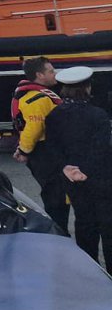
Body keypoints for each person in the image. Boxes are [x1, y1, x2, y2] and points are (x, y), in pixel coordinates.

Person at [45, 66, 112, 267]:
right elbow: (101, 148)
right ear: (88, 88)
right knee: (108, 226)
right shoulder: (98, 115)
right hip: (101, 179)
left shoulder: (54, 116)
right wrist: (86, 171)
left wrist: (68, 168)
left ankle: (89, 270)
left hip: (72, 180)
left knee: (84, 224)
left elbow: (52, 147)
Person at [11, 57, 69, 232]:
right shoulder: (37, 99)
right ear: (39, 75)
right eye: (50, 71)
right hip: (45, 152)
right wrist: (23, 150)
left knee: (56, 194)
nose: (55, 74)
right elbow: (34, 127)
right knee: (55, 196)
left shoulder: (35, 95)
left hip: (46, 151)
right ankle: (58, 231)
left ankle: (58, 229)